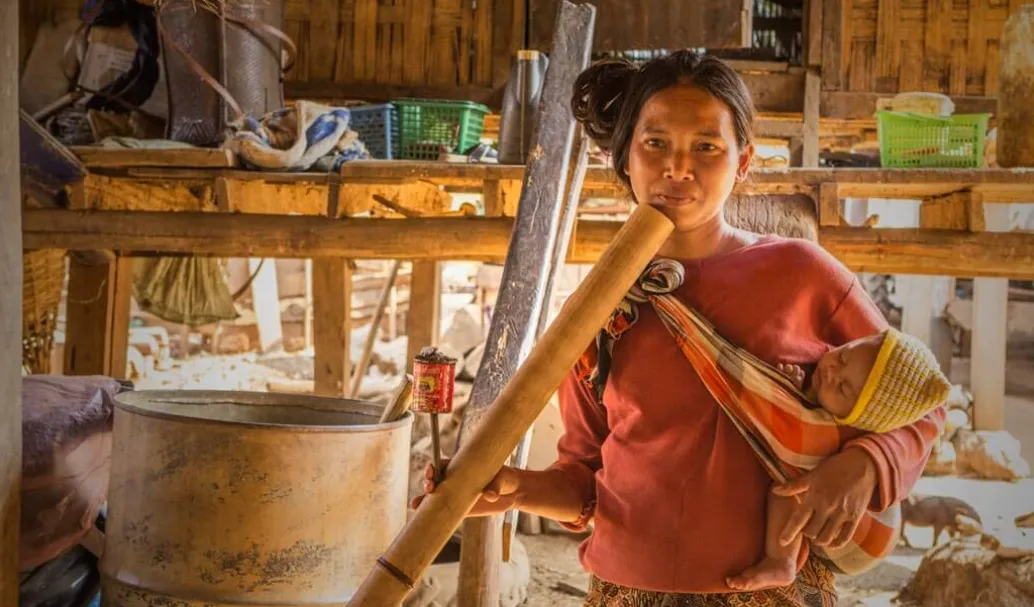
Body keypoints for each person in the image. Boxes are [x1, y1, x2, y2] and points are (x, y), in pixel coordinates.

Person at [413, 50, 946, 606]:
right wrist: (515, 490)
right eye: (655, 143)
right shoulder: (594, 311)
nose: (678, 167)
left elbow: (922, 402)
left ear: (742, 162)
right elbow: (585, 480)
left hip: (771, 592)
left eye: (707, 147)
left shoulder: (803, 275)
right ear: (623, 160)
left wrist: (866, 464)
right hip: (627, 589)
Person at [729, 327, 952, 591]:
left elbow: (934, 411)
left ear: (858, 415)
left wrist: (870, 459)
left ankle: (781, 560)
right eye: (843, 357)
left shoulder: (844, 427)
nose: (832, 372)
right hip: (849, 528)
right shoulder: (850, 372)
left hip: (861, 535)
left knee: (788, 488)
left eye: (844, 387)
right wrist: (791, 383)